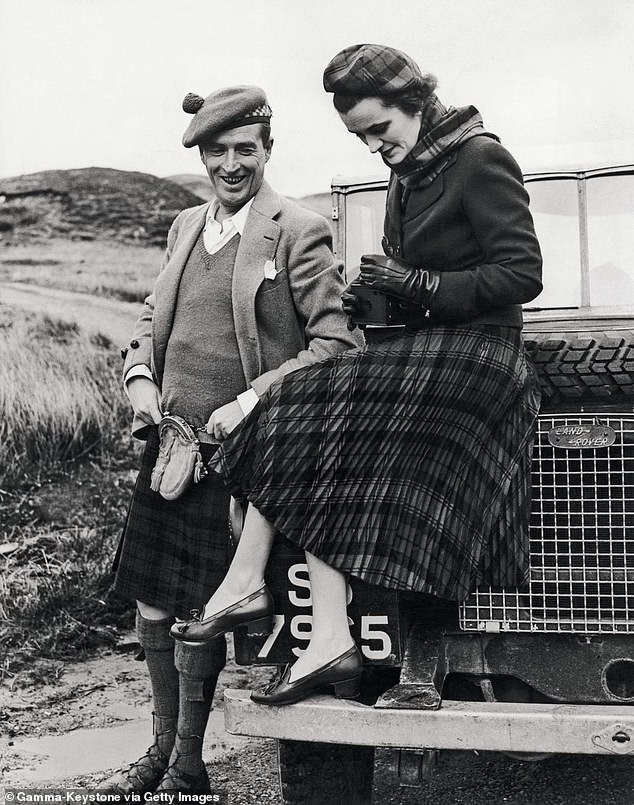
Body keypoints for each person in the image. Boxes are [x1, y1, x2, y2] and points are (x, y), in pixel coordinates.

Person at [171, 43, 543, 707]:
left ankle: (255, 586)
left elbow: (521, 274)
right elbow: (417, 289)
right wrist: (372, 293)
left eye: (381, 129)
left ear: (416, 104)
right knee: (294, 400)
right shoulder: (408, 173)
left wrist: (418, 283)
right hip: (435, 352)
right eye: (360, 136)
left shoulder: (480, 156)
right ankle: (310, 625)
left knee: (303, 393)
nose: (375, 147)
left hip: (484, 358)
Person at [99, 85, 362, 795]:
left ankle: (188, 765)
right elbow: (149, 320)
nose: (231, 163)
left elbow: (336, 341)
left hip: (240, 458)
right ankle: (161, 754)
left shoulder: (297, 227)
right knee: (152, 601)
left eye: (246, 149)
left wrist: (250, 400)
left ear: (268, 150)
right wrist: (140, 380)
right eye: (218, 150)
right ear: (203, 155)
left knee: (207, 605)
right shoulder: (186, 224)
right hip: (171, 448)